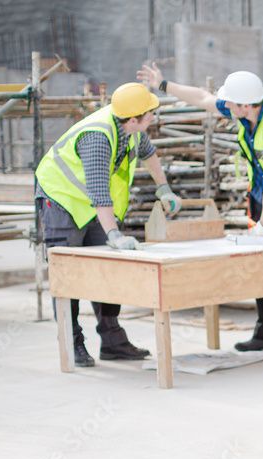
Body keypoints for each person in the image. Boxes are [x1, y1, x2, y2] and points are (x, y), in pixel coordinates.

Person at [139, 64, 263, 358]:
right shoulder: (242, 108)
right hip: (261, 195)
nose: (225, 105)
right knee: (262, 262)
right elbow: (203, 98)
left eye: (230, 102)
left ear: (246, 104)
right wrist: (164, 84)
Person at [35, 82, 182, 367]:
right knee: (69, 274)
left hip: (90, 206)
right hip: (62, 200)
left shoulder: (132, 130)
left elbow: (149, 154)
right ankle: (72, 342)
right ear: (133, 118)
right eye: (150, 113)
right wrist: (113, 233)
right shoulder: (98, 138)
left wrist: (164, 189)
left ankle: (112, 341)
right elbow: (99, 190)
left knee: (106, 270)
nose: (154, 116)